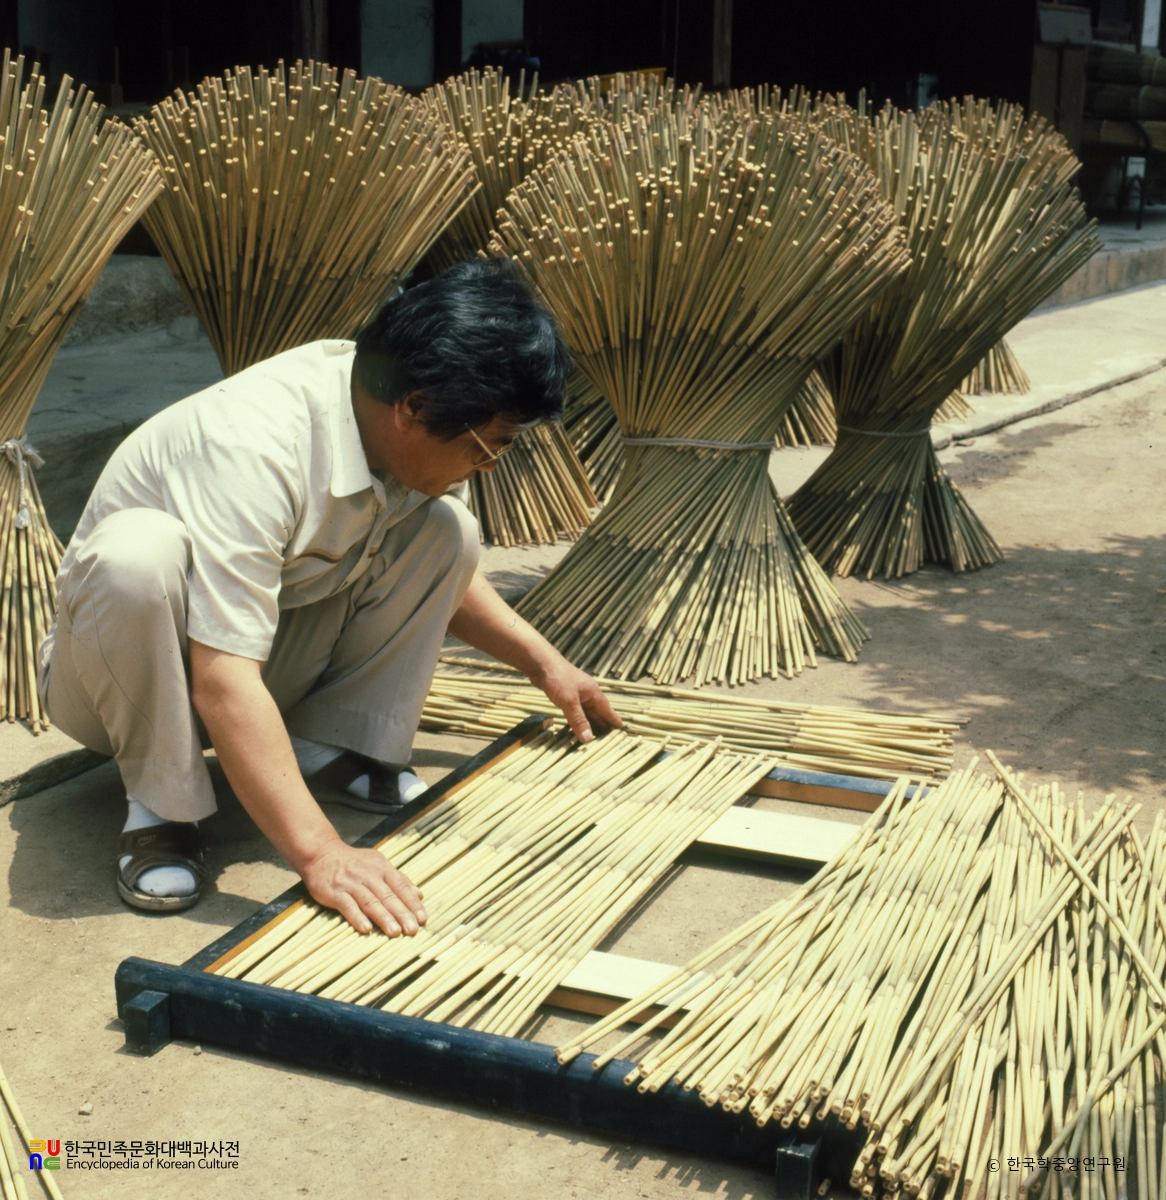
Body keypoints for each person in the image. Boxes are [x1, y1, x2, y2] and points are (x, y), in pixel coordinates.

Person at [37, 258, 620, 937]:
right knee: (137, 557)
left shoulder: (395, 412)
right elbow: (224, 682)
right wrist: (322, 854)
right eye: (486, 449)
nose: (488, 464)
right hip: (110, 684)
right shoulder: (253, 446)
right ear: (414, 409)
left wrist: (543, 663)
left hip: (237, 659)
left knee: (446, 530)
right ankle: (163, 806)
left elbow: (446, 578)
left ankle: (328, 744)